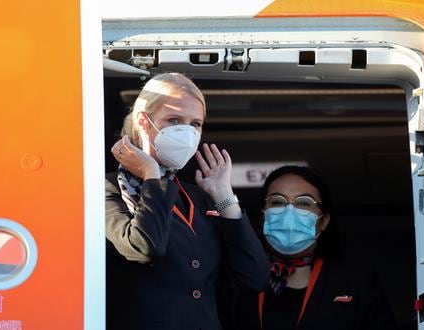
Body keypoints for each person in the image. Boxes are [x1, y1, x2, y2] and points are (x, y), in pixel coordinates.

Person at [105, 73, 270, 330]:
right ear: (144, 122)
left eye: (195, 123)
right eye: (174, 120)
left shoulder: (199, 197)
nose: (188, 132)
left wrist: (224, 196)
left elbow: (254, 277)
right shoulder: (106, 189)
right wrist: (151, 176)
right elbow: (142, 248)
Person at [229, 165, 395, 330]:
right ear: (263, 216)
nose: (289, 212)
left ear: (324, 221)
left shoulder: (356, 279)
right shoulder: (236, 276)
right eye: (278, 202)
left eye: (304, 203)